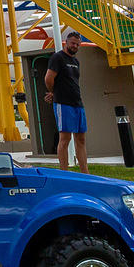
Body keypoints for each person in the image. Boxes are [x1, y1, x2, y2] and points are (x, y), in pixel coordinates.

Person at [44, 28, 89, 170]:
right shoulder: (58, 58)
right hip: (63, 104)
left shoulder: (76, 61)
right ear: (66, 43)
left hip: (78, 103)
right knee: (65, 139)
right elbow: (48, 78)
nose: (74, 46)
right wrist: (54, 92)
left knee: (81, 139)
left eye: (77, 44)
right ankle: (64, 171)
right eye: (72, 43)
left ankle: (85, 172)